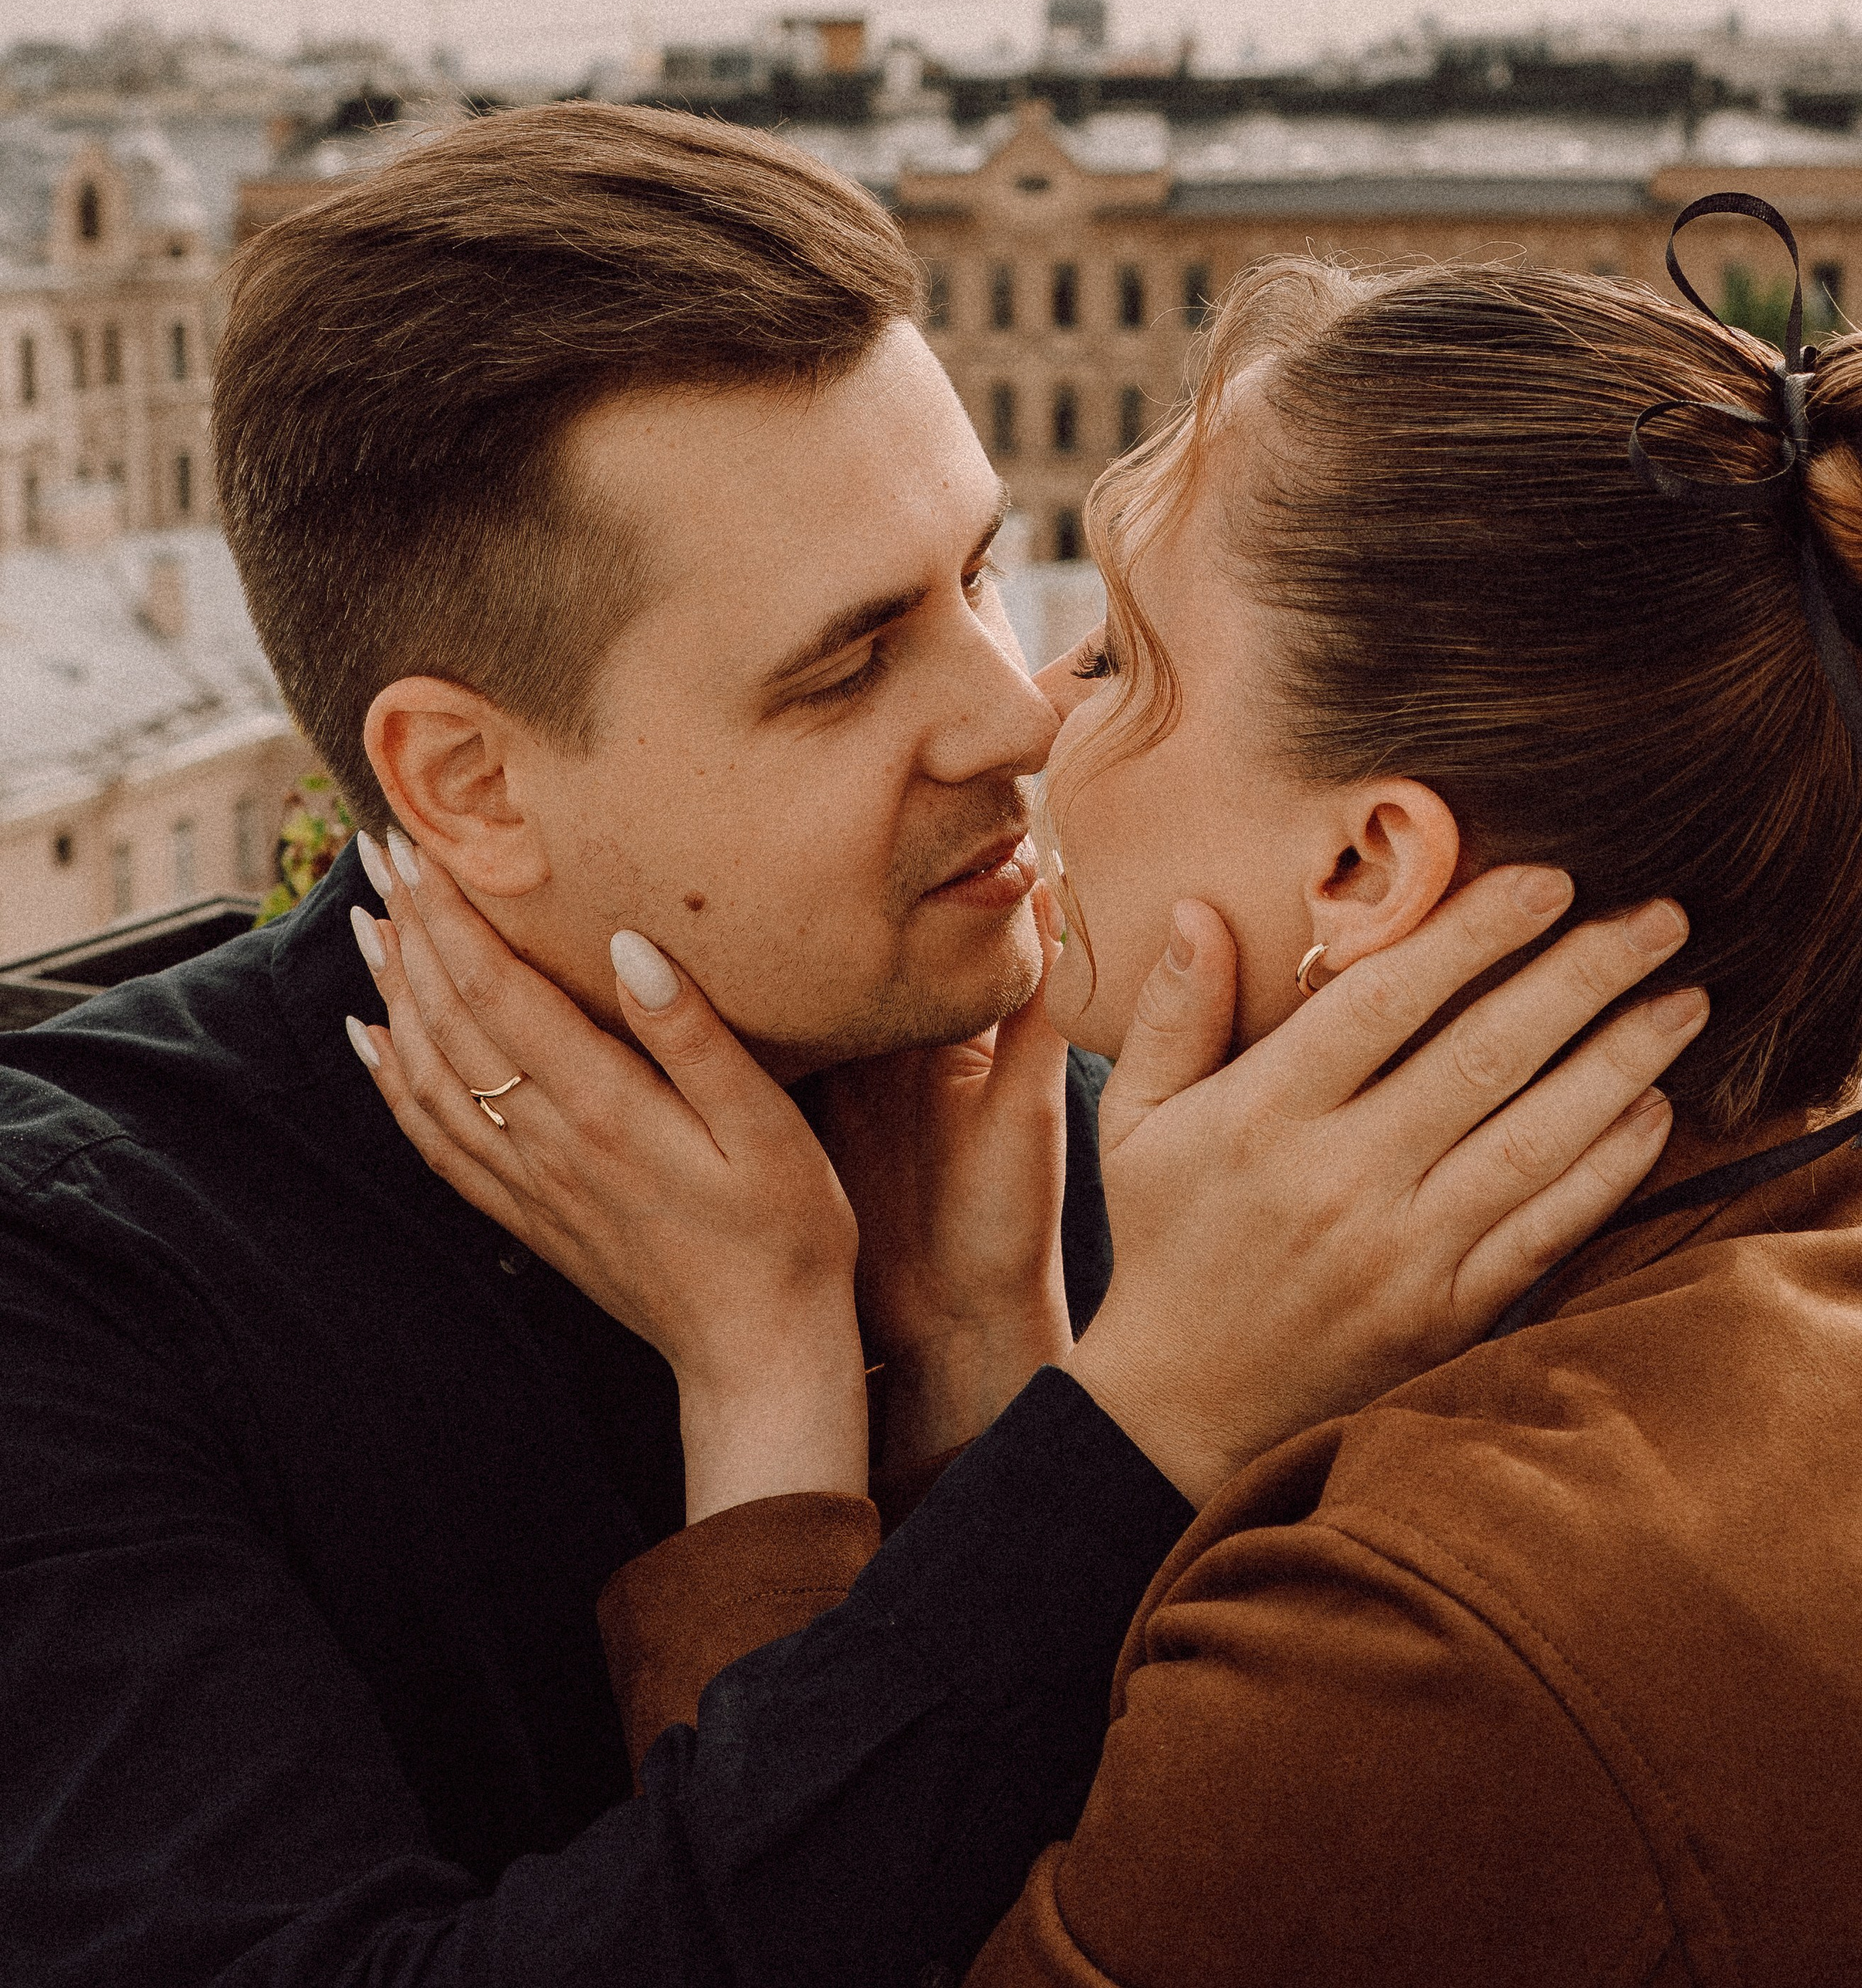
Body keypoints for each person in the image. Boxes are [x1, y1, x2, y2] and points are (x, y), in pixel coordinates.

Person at [0, 103, 1683, 1988]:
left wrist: (982, 1378)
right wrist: (1127, 1433)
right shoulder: (75, 1286)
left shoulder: (1094, 1118)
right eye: (847, 662)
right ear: (466, 785)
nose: (1015, 712)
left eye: (979, 572)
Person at [373, 190, 1862, 1986]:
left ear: (1364, 870)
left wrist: (769, 1384)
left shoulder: (1435, 1641)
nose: (1028, 713)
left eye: (1125, 654)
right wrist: (985, 1373)